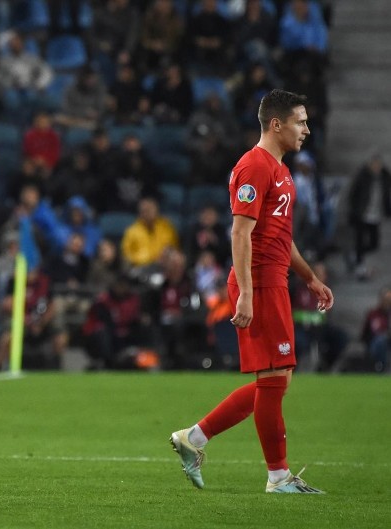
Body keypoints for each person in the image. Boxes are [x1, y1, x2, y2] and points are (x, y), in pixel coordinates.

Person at [169, 89, 333, 494]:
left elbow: (281, 236)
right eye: (301, 122)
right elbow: (240, 233)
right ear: (276, 124)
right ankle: (277, 476)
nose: (306, 130)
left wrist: (309, 277)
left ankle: (194, 438)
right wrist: (245, 292)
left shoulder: (281, 170)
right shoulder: (255, 167)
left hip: (272, 280)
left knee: (275, 381)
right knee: (275, 380)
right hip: (257, 281)